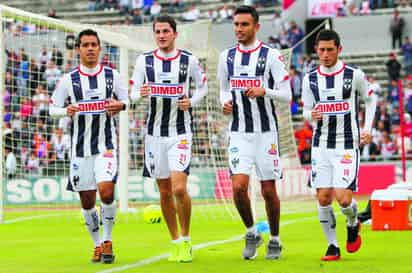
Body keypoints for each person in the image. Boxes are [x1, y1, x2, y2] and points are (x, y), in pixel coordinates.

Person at [130, 15, 207, 263]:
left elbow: (203, 86)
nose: (161, 35)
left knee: (179, 188)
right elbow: (132, 93)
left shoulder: (188, 60)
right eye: (158, 31)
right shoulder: (144, 61)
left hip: (180, 133)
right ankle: (174, 241)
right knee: (164, 192)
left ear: (175, 33)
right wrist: (138, 95)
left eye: (165, 31)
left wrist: (191, 100)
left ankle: (186, 239)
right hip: (154, 136)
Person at [217, 5, 291, 260]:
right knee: (238, 187)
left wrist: (265, 91)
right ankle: (251, 232)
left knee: (268, 191)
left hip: (266, 132)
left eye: (244, 25)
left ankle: (275, 239)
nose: (239, 29)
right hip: (239, 131)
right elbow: (223, 89)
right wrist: (224, 102)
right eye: (236, 24)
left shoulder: (271, 56)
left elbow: (287, 94)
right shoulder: (226, 57)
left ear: (256, 27)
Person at [49, 29, 128, 264]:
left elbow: (126, 100)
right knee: (86, 200)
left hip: (106, 146)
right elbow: (52, 107)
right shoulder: (68, 80)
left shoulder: (113, 76)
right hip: (79, 151)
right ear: (79, 49)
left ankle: (107, 240)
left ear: (100, 48)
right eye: (86, 45)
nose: (91, 48)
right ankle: (95, 245)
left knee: (106, 191)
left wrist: (120, 106)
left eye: (94, 44)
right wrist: (66, 110)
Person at [301, 29, 377, 261]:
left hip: (346, 144)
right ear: (316, 50)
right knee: (323, 197)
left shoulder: (354, 75)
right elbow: (306, 110)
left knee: (343, 199)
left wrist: (367, 129)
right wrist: (310, 114)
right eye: (321, 50)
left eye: (329, 50)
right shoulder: (310, 79)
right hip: (320, 145)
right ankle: (333, 246)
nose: (325, 54)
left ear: (339, 50)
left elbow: (371, 99)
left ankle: (353, 222)